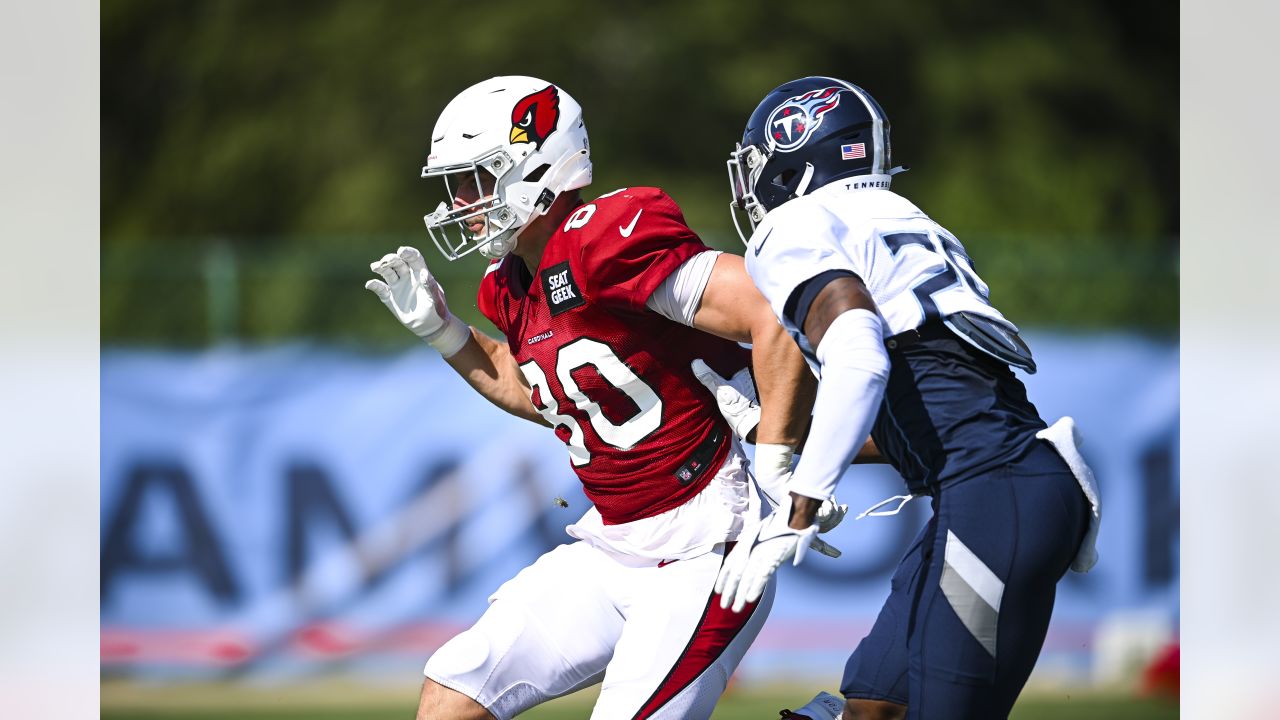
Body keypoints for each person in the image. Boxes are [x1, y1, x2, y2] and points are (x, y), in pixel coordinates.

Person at [364, 75, 841, 720]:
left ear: (536, 165)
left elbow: (768, 308)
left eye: (475, 180)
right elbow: (539, 386)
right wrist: (445, 333)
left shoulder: (605, 236)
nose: (461, 202)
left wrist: (781, 468)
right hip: (610, 546)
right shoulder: (510, 285)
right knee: (453, 697)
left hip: (703, 552)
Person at [708, 76, 1102, 720]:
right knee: (873, 704)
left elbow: (859, 354)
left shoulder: (792, 227)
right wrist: (786, 437)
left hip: (992, 493)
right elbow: (926, 403)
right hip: (1005, 484)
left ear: (793, 153)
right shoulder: (903, 217)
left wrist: (800, 503)